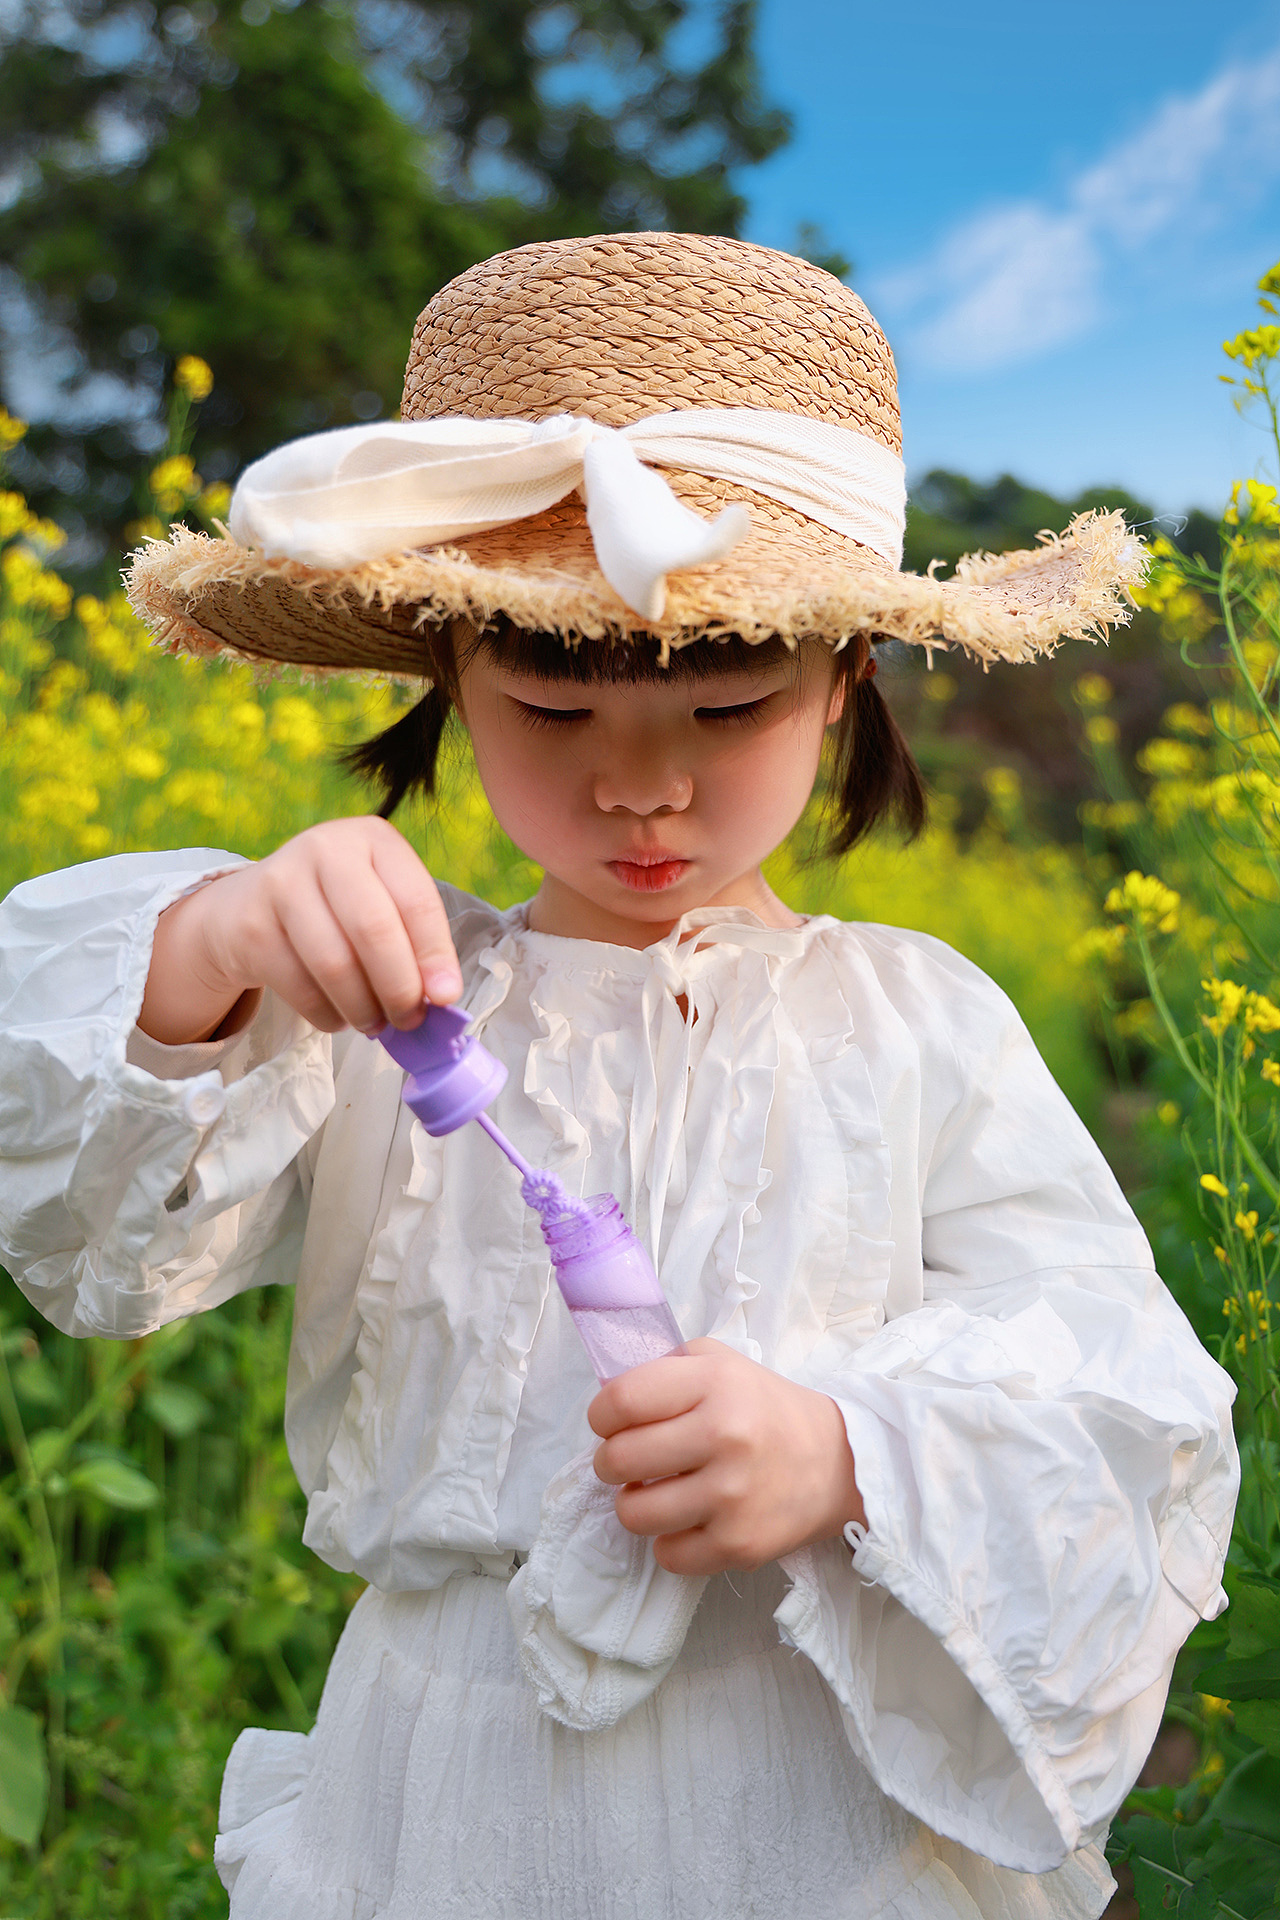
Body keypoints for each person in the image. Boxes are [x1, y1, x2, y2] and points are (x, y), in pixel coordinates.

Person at [0, 233, 1237, 1920]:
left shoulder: (916, 1021)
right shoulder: (385, 991)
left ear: (844, 682)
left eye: (729, 704)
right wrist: (218, 943)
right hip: (442, 1791)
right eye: (550, 709)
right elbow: (101, 1248)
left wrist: (845, 1451)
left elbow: (1127, 1404)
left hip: (810, 1788)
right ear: (447, 673)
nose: (640, 794)